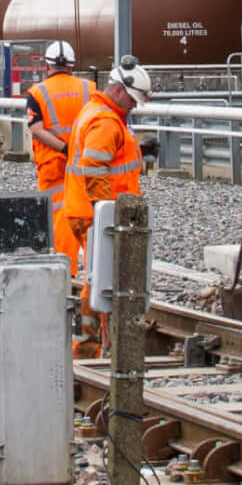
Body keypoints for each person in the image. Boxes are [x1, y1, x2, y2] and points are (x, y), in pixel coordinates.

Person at [61, 56, 153, 351]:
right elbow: (94, 167)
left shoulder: (98, 112)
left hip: (86, 209)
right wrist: (107, 213)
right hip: (95, 213)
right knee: (103, 278)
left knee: (97, 275)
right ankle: (93, 345)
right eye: (133, 100)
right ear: (119, 90)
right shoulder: (105, 121)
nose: (134, 106)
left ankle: (91, 342)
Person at [26, 41, 92, 268]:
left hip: (54, 165)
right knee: (89, 213)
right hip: (86, 161)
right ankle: (95, 270)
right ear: (71, 66)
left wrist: (64, 148)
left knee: (60, 217)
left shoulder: (37, 92)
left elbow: (37, 129)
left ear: (47, 65)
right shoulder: (90, 89)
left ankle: (65, 270)